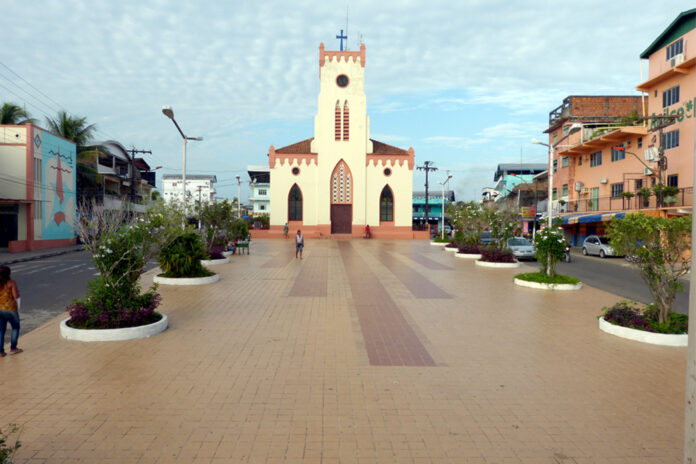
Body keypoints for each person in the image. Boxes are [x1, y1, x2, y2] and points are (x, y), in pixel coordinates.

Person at [0, 265, 22, 357]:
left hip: (0, 309)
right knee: (15, 328)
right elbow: (16, 296)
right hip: (11, 309)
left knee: (1, 331)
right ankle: (13, 348)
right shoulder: (11, 283)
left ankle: (1, 351)